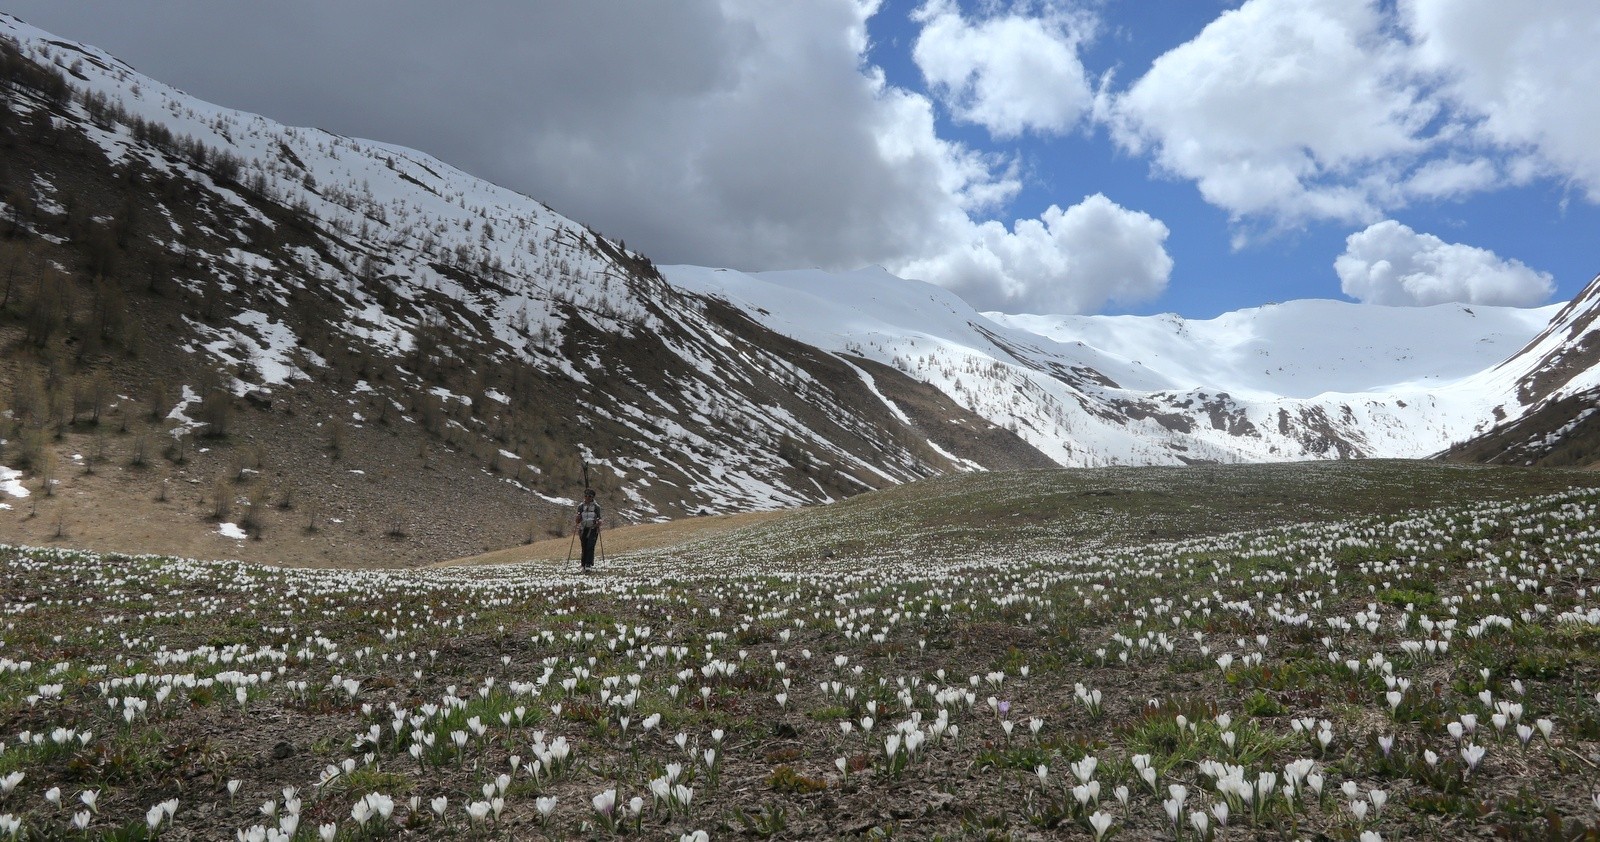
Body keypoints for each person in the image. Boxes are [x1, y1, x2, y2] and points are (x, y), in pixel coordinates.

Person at [575, 488, 603, 571]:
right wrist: (577, 518)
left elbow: (599, 518)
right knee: (584, 546)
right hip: (583, 529)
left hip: (593, 528)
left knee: (590, 546)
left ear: (592, 497)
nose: (587, 497)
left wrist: (599, 522)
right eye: (585, 496)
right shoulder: (580, 506)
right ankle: (583, 564)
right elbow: (578, 520)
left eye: (589, 496)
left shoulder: (596, 507)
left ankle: (588, 564)